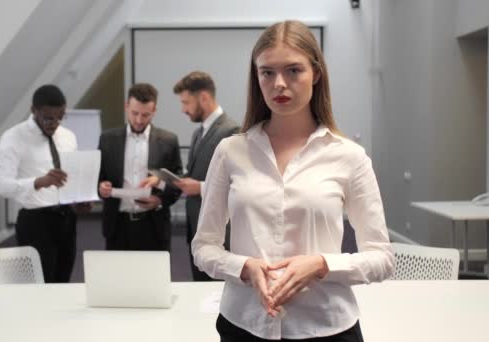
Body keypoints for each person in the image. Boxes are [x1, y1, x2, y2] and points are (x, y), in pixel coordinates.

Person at [191, 20, 395, 341]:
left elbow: (382, 258)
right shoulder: (230, 151)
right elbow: (203, 247)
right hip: (244, 324)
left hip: (327, 326)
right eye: (267, 72)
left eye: (293, 70)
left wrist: (321, 265)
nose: (279, 84)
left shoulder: (349, 156)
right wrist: (244, 267)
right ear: (256, 77)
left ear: (316, 73)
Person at [0, 84, 82, 283]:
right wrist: (39, 182)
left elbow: (72, 177)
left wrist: (80, 198)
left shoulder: (68, 137)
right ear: (33, 110)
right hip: (35, 221)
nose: (54, 123)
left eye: (60, 117)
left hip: (67, 218)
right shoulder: (12, 138)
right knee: (39, 288)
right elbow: (1, 186)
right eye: (48, 117)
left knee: (62, 283)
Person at [98, 83, 182, 251]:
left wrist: (159, 200)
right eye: (134, 113)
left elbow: (178, 182)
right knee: (117, 276)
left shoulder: (169, 140)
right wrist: (100, 187)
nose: (139, 120)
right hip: (117, 225)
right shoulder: (107, 139)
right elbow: (98, 176)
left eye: (146, 115)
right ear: (126, 106)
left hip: (154, 225)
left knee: (153, 277)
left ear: (154, 111)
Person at [172, 71, 239, 281]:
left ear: (203, 97)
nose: (183, 109)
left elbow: (238, 183)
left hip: (219, 234)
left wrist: (199, 187)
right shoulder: (198, 132)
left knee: (217, 297)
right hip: (196, 228)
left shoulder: (232, 130)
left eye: (186, 102)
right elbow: (198, 173)